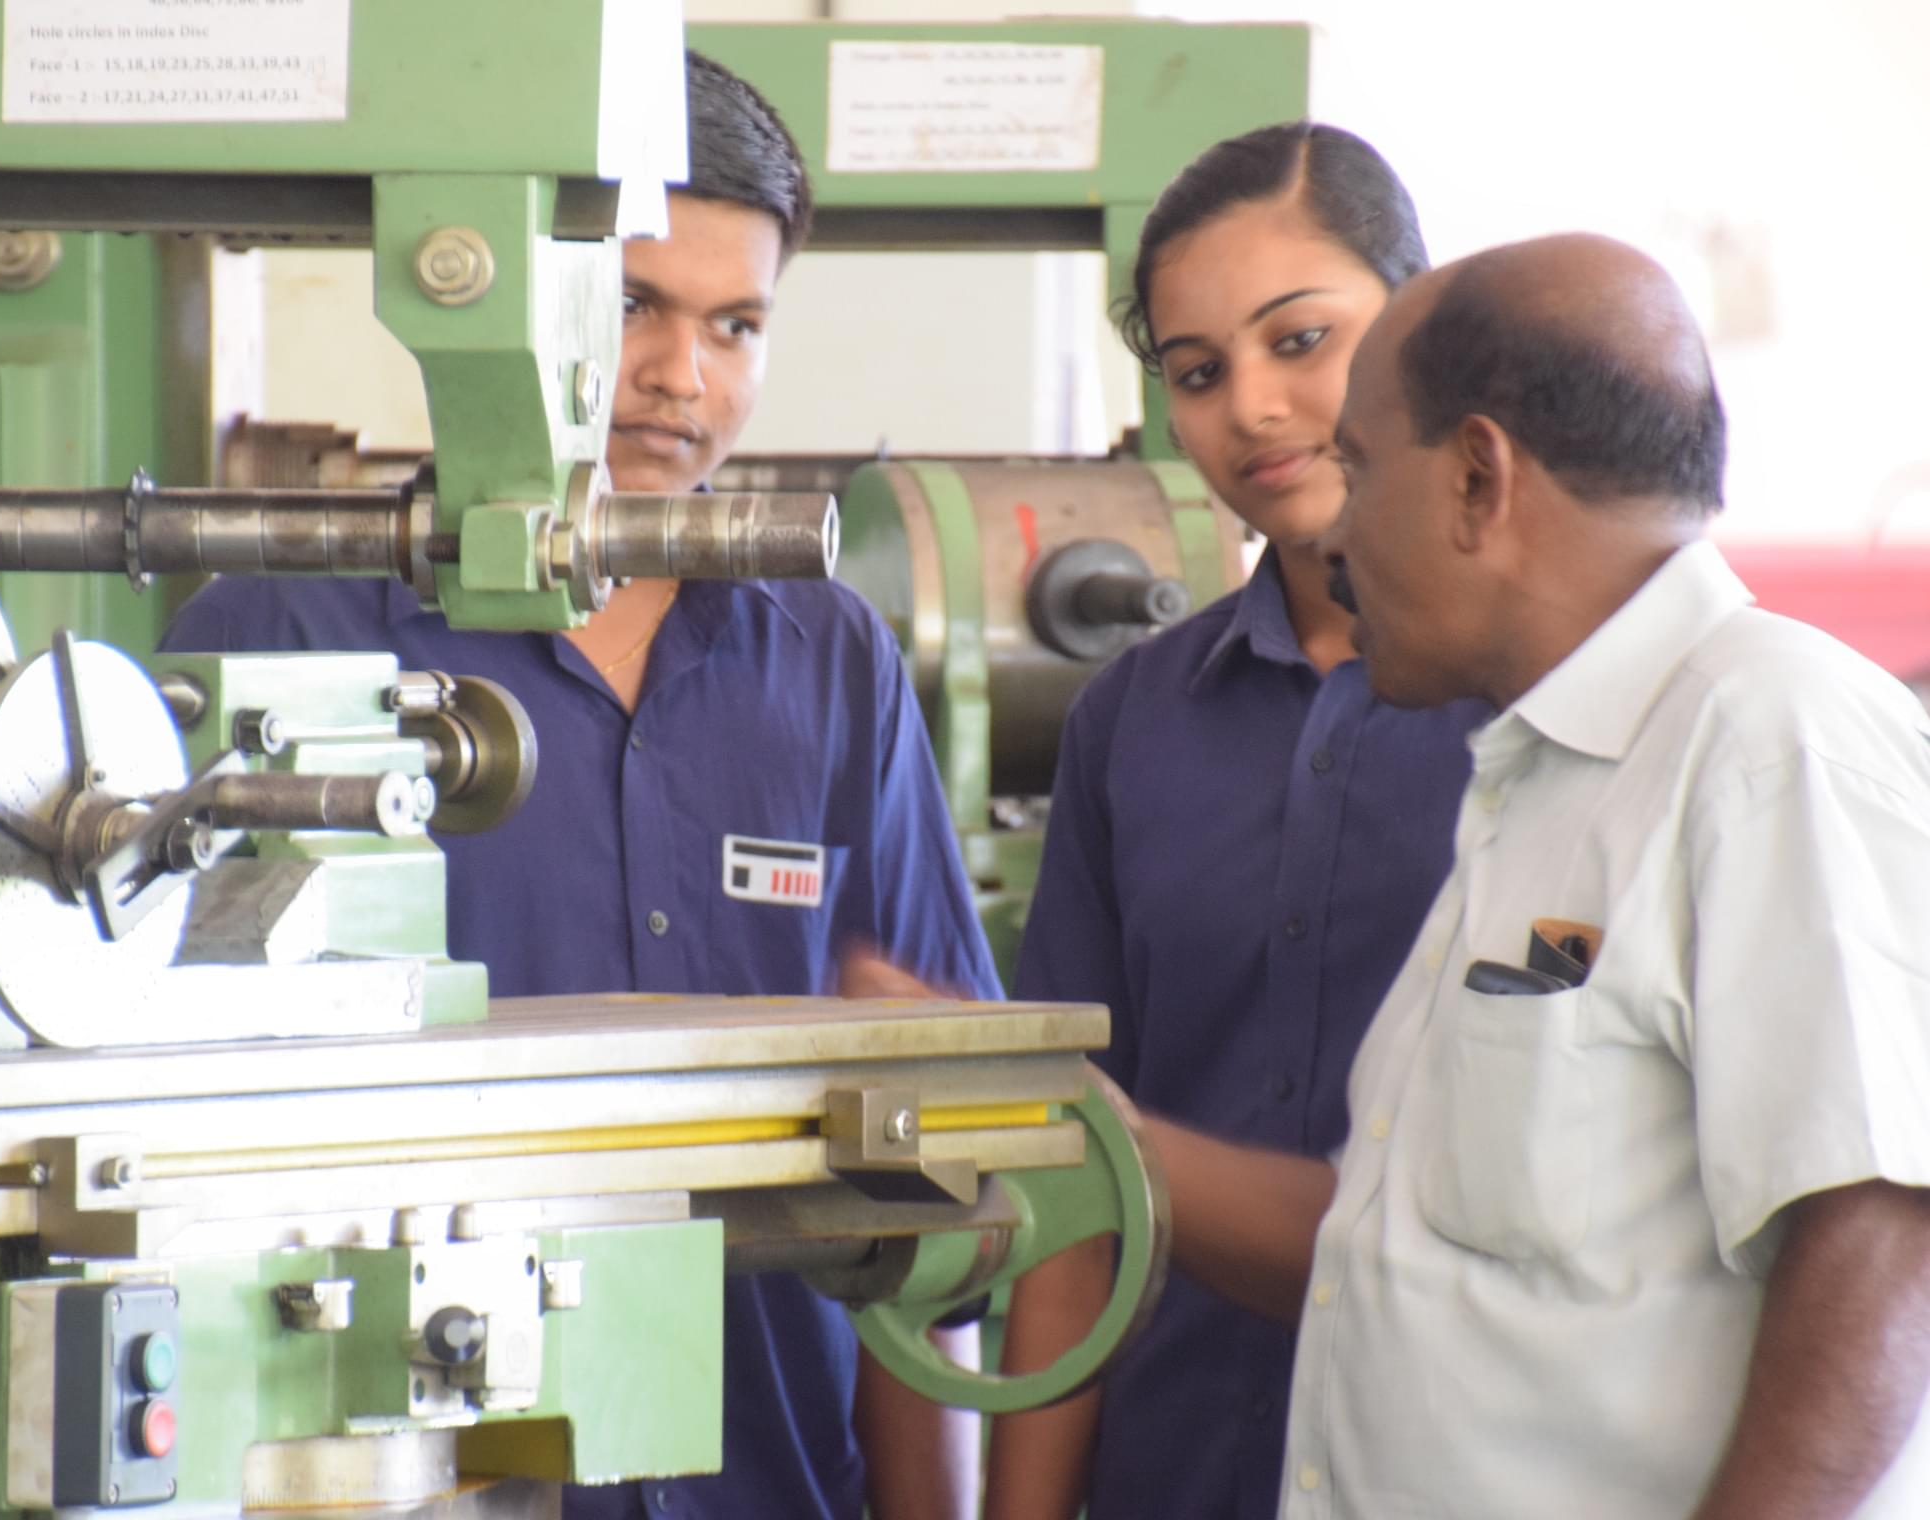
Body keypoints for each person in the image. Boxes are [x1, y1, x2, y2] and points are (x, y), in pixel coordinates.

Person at [162, 52, 994, 1520]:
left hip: (767, 1477)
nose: (684, 379)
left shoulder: (831, 663)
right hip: (396, 1467)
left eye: (737, 325)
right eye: (631, 309)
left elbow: (929, 1171)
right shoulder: (282, 636)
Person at [1155, 231, 1930, 1517]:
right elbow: (1397, 1252)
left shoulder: (1769, 735)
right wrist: (1096, 1137)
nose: (1339, 538)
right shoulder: (1542, 779)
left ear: (1475, 478)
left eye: (1358, 469)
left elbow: (1885, 1242)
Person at [984, 124, 1487, 1520]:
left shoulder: (1562, 712)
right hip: (1178, 1471)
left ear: (1424, 321)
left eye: (1301, 339)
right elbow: (1069, 1184)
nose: (1252, 409)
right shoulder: (1133, 722)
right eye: (1198, 374)